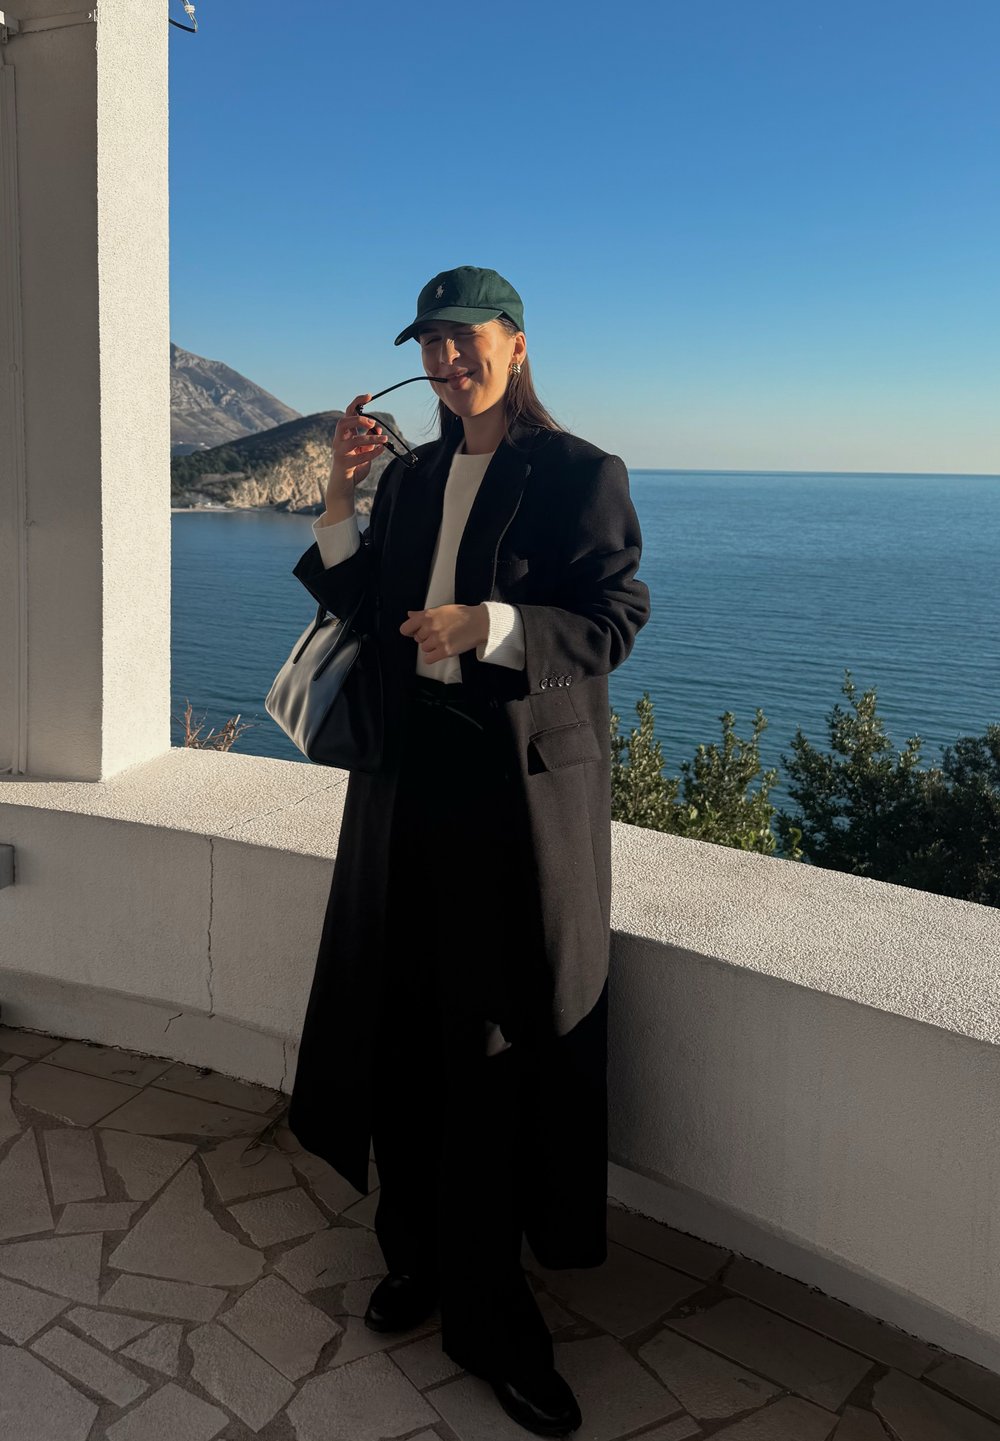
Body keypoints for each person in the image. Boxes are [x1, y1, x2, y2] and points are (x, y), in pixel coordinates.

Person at [286, 265, 650, 1437]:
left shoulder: (579, 473)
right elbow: (354, 600)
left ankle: (495, 1315)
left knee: (492, 1054)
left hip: (508, 802)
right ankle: (416, 1258)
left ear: (517, 345)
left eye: (465, 341)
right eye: (430, 345)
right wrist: (341, 493)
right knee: (397, 1020)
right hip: (405, 785)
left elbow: (614, 617)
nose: (447, 362)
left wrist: (486, 626)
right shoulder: (414, 475)